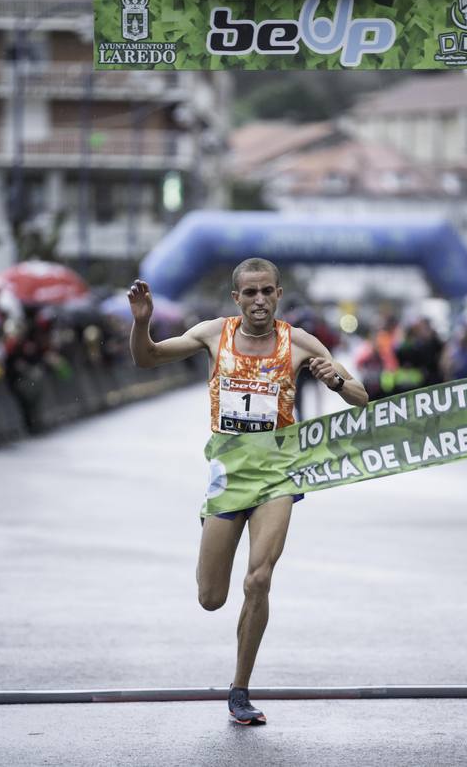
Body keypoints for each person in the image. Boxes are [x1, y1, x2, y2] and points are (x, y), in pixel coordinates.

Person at [128, 257, 368, 725]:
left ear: (278, 294)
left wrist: (336, 380)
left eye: (267, 292)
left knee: (259, 578)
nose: (259, 300)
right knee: (211, 597)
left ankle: (240, 688)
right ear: (236, 298)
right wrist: (142, 324)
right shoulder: (213, 334)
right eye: (250, 293)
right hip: (227, 477)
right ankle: (231, 649)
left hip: (279, 476)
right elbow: (146, 357)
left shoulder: (298, 341)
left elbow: (360, 395)